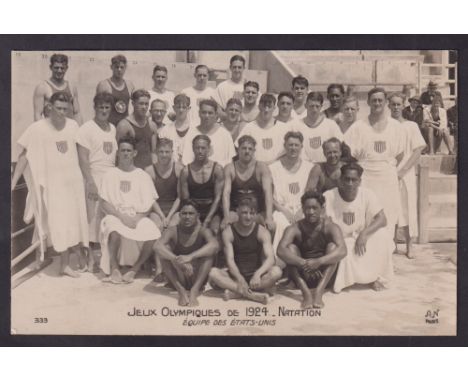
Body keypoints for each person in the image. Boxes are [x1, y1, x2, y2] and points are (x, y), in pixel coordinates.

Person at [12, 91, 88, 277]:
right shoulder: (37, 128)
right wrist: (13, 182)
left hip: (74, 184)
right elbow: (24, 156)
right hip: (54, 186)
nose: (62, 112)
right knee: (58, 223)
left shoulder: (73, 125)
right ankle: (60, 263)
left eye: (65, 108)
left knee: (75, 223)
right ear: (50, 107)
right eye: (58, 108)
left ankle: (72, 260)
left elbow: (82, 152)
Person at [344, 87, 406, 242]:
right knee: (366, 214)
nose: (377, 103)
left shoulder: (396, 127)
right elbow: (347, 151)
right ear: (368, 102)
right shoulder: (358, 126)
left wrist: (386, 167)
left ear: (386, 102)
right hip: (366, 177)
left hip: (388, 178)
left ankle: (387, 257)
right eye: (374, 100)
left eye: (380, 100)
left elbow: (400, 154)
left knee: (389, 216)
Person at [99, 137, 161, 283]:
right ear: (118, 153)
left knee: (153, 232)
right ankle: (114, 268)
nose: (126, 153)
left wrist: (138, 218)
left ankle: (135, 269)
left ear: (134, 153)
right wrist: (121, 216)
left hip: (136, 215)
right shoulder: (109, 175)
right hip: (115, 214)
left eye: (128, 150)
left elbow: (149, 204)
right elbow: (104, 203)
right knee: (113, 228)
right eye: (123, 150)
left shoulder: (142, 175)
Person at [323, 162, 393, 293]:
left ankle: (375, 277)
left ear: (359, 181)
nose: (350, 183)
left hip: (360, 237)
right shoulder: (329, 196)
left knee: (383, 235)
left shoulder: (367, 194)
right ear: (340, 179)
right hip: (339, 239)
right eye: (346, 179)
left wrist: (364, 234)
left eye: (354, 180)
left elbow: (382, 219)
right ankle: (348, 281)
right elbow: (324, 223)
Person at [277, 191, 347, 309]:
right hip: (302, 275)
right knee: (290, 248)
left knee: (333, 247)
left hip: (324, 275)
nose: (311, 212)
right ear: (302, 209)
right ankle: (306, 294)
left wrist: (318, 262)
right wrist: (304, 263)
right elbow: (280, 250)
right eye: (307, 208)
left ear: (322, 208)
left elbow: (343, 250)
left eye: (315, 208)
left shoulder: (330, 226)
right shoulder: (295, 228)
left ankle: (319, 292)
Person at [209, 197, 282, 305]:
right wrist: (240, 279)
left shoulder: (262, 231)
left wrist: (257, 274)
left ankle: (238, 293)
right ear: (237, 211)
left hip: (257, 277)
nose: (248, 217)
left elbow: (270, 259)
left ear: (256, 214)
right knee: (213, 273)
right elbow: (230, 260)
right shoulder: (228, 232)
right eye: (244, 213)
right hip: (235, 276)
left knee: (276, 271)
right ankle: (252, 295)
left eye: (252, 213)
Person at [76, 92, 118, 270]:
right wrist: (91, 182)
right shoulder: (86, 128)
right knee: (91, 220)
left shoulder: (113, 128)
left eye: (107, 107)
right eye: (100, 107)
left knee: (106, 218)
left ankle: (106, 258)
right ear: (95, 107)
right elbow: (83, 159)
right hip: (93, 177)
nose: (104, 110)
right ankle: (91, 260)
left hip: (110, 179)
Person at [155, 199, 219, 306]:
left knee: (209, 255)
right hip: (179, 275)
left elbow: (215, 245)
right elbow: (157, 246)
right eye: (184, 213)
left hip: (196, 277)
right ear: (179, 215)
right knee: (164, 252)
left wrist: (190, 257)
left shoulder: (203, 230)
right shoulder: (172, 230)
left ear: (197, 215)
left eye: (191, 213)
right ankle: (181, 291)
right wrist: (177, 260)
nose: (187, 217)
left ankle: (194, 291)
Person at [388, 93, 426, 258]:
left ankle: (410, 246)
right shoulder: (385, 126)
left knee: (408, 208)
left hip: (406, 175)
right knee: (390, 208)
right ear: (388, 106)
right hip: (388, 174)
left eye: (398, 104)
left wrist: (403, 171)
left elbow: (418, 150)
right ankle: (392, 245)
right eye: (393, 104)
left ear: (403, 105)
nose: (395, 107)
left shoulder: (411, 126)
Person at [269, 131, 313, 253]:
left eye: (296, 145)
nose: (293, 148)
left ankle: (305, 259)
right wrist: (285, 212)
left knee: (307, 221)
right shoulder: (273, 168)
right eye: (290, 145)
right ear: (285, 146)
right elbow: (270, 197)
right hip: (281, 209)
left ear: (301, 147)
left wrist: (300, 211)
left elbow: (311, 193)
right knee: (280, 223)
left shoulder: (309, 167)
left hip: (303, 208)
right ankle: (280, 262)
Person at [221, 135, 275, 232]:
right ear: (238, 150)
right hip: (237, 212)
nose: (247, 151)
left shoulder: (262, 167)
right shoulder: (230, 168)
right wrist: (226, 216)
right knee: (224, 227)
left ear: (254, 151)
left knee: (271, 227)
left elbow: (268, 193)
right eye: (244, 148)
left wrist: (269, 217)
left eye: (250, 149)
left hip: (257, 212)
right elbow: (226, 193)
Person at [180, 135, 224, 234]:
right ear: (193, 149)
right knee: (191, 231)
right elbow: (186, 200)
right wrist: (196, 219)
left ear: (208, 149)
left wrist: (207, 220)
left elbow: (218, 198)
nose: (200, 151)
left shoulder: (217, 169)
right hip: (193, 209)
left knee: (215, 230)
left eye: (203, 148)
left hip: (212, 209)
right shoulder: (186, 171)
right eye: (197, 148)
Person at [236, 93, 289, 164]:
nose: (266, 110)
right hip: (255, 168)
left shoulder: (283, 128)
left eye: (269, 106)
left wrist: (274, 162)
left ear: (274, 108)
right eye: (264, 106)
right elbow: (238, 147)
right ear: (259, 107)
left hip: (277, 168)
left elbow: (287, 152)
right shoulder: (249, 127)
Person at [181, 99, 236, 167]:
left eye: (210, 113)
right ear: (199, 113)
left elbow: (230, 162)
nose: (207, 116)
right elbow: (186, 160)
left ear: (216, 114)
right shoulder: (191, 133)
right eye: (204, 112)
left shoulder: (225, 135)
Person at [292, 92, 344, 163]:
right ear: (306, 106)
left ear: (321, 107)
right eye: (311, 106)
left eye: (317, 106)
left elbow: (340, 146)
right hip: (303, 167)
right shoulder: (296, 125)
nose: (314, 109)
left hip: (326, 166)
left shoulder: (331, 125)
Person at [33, 53, 82, 124]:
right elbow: (37, 114)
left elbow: (77, 112)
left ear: (66, 68)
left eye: (62, 68)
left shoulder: (72, 86)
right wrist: (43, 132)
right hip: (51, 129)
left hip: (68, 130)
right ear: (51, 67)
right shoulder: (42, 87)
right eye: (56, 68)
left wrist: (79, 131)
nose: (59, 71)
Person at [116, 89, 158, 169]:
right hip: (131, 172)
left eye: (146, 104)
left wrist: (154, 171)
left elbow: (154, 152)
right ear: (133, 104)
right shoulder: (124, 125)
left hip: (148, 171)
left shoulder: (152, 125)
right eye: (141, 104)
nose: (144, 107)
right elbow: (118, 155)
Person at [96, 55, 135, 126]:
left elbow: (135, 104)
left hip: (124, 125)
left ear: (125, 68)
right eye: (117, 67)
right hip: (108, 124)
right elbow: (98, 108)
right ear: (111, 67)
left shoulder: (129, 85)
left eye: (122, 67)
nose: (119, 70)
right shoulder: (104, 85)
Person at [158, 94, 192, 162]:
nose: (181, 110)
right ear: (174, 108)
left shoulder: (195, 128)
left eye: (184, 107)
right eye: (178, 107)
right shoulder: (165, 130)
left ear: (188, 109)